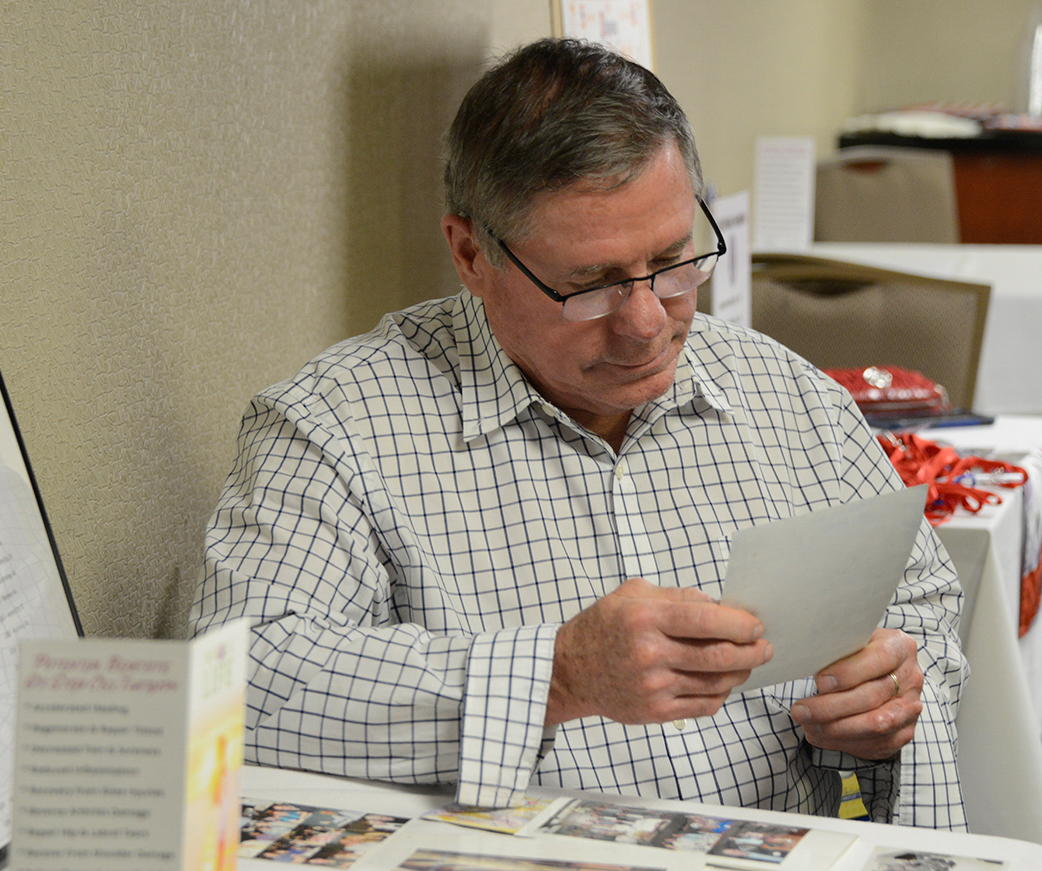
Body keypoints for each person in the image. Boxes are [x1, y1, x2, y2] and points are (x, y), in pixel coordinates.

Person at [191, 37, 967, 829]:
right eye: (589, 285)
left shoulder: (783, 393)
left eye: (671, 262)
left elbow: (925, 600)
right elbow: (242, 685)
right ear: (469, 253)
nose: (644, 326)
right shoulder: (336, 427)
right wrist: (555, 678)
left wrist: (892, 688)